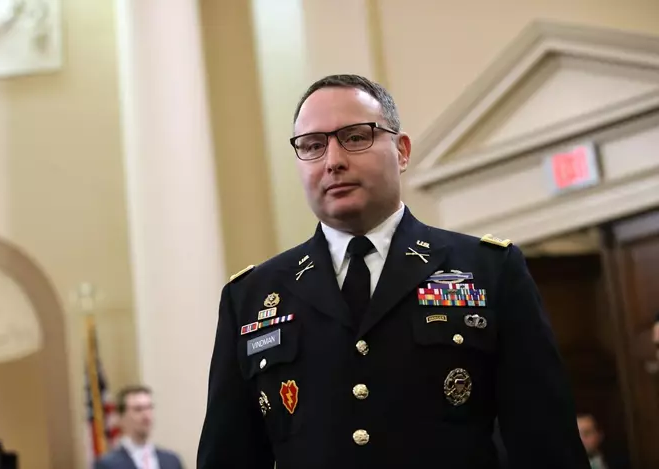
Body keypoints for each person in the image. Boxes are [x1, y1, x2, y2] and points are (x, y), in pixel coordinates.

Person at [197, 74, 590, 468]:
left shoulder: (488, 270)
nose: (333, 161)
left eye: (355, 137)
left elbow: (546, 444)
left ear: (402, 152)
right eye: (313, 146)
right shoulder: (251, 297)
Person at [95, 385, 183, 469]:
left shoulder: (171, 461)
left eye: (149, 408)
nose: (146, 415)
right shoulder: (108, 465)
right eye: (138, 409)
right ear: (121, 417)